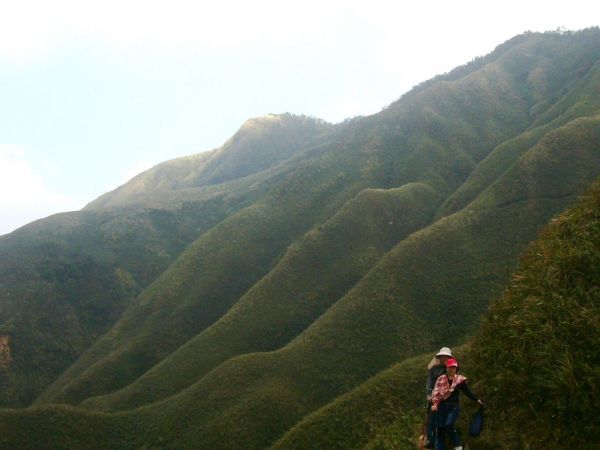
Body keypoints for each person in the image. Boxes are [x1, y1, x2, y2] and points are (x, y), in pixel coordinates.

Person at [431, 358, 484, 450]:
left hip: (453, 407)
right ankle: (440, 447)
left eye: (453, 367)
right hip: (442, 406)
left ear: (456, 368)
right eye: (449, 367)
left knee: (448, 424)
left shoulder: (459, 380)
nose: (451, 369)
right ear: (446, 368)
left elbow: (467, 391)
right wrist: (434, 404)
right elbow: (436, 392)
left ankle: (458, 445)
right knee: (440, 428)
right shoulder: (441, 379)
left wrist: (476, 400)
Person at [424, 347, 453, 449]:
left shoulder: (451, 369)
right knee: (431, 421)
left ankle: (440, 442)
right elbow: (429, 383)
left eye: (446, 356)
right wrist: (429, 395)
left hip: (445, 400)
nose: (443, 358)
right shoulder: (434, 369)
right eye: (442, 356)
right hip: (433, 399)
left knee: (440, 422)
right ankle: (431, 440)